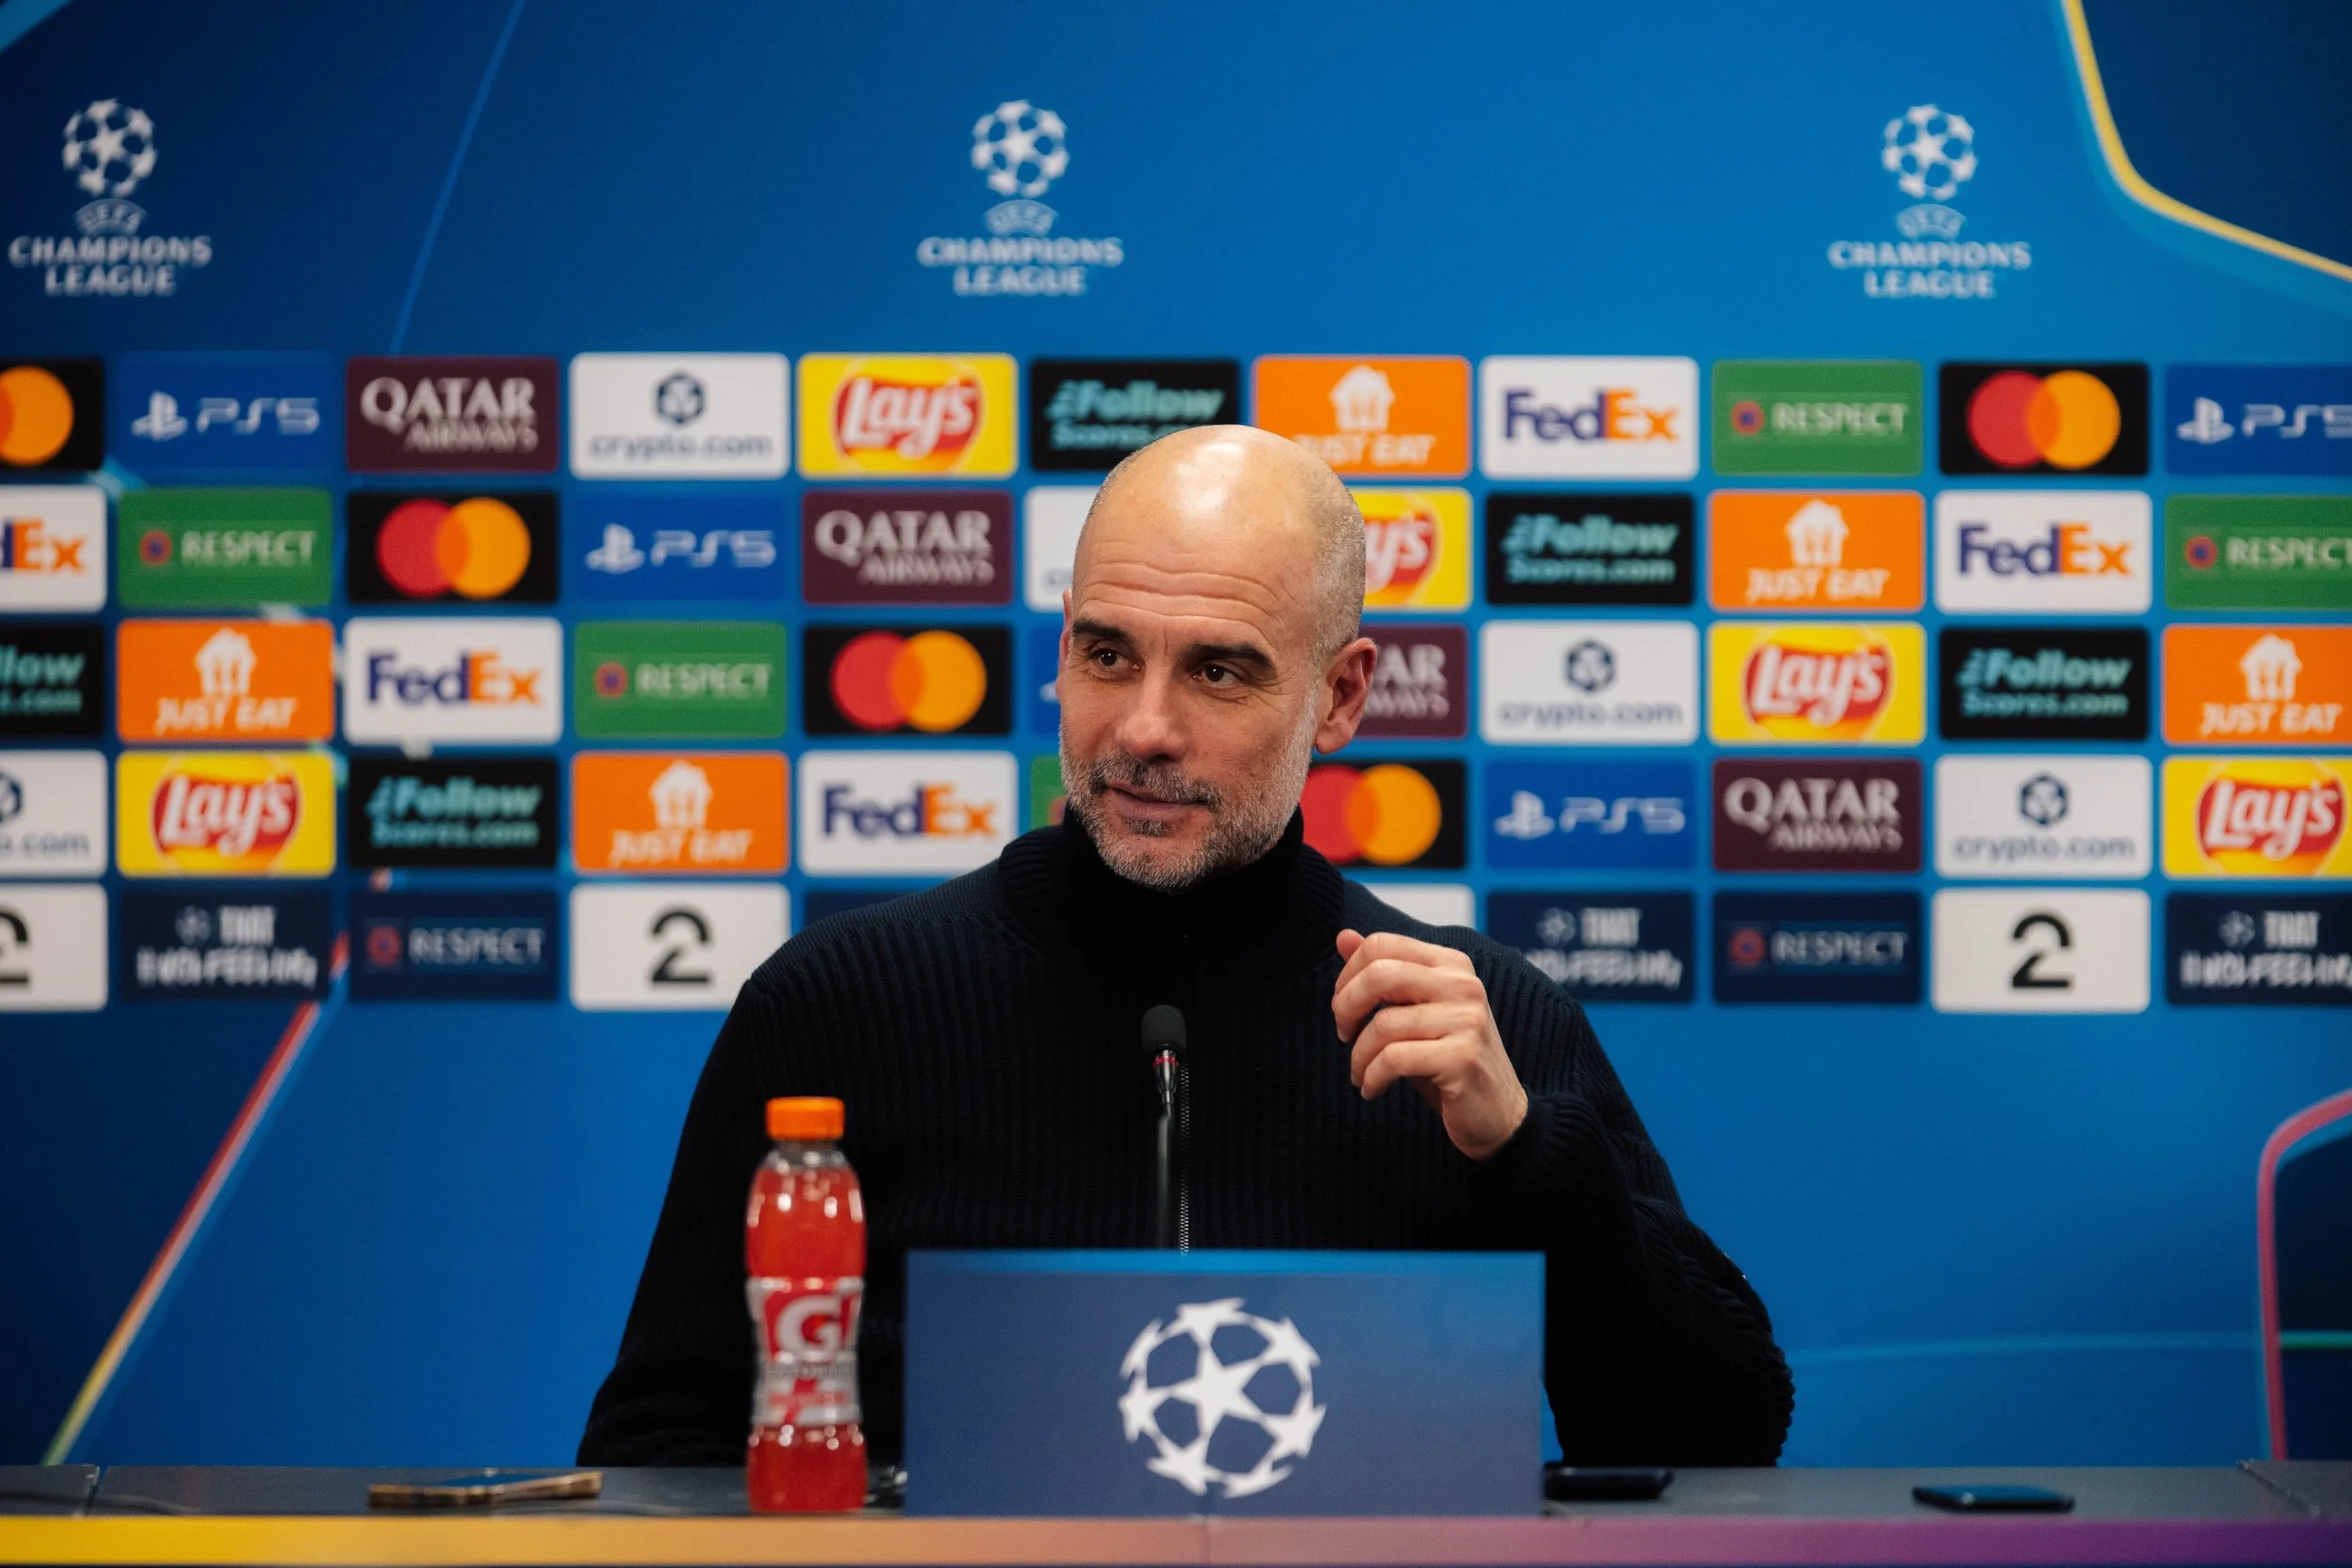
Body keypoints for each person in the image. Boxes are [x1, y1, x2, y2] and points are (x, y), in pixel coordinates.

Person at [580, 426, 1793, 1469]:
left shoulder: (1481, 1027)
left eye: (1220, 671)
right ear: (1060, 648)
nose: (1145, 729)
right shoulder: (840, 1007)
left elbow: (1720, 1442)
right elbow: (658, 1451)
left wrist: (1528, 1150)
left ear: (1342, 694)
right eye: (1108, 654)